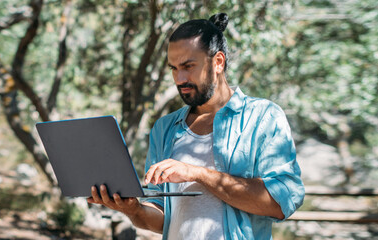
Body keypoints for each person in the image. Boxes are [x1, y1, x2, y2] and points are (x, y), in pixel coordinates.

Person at [86, 13, 304, 239]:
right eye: (173, 68)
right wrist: (133, 210)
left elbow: (282, 201)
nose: (180, 78)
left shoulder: (263, 117)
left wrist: (196, 173)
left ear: (218, 62)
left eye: (188, 66)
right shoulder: (165, 128)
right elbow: (163, 218)